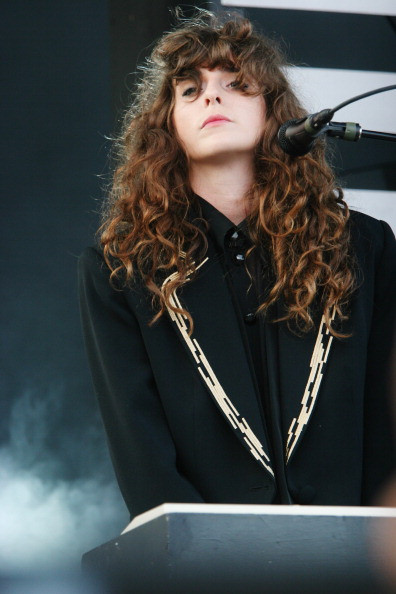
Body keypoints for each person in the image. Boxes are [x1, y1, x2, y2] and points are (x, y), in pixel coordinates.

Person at [78, 9, 396, 520]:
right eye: (189, 90)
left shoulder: (363, 245)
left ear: (274, 112)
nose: (211, 96)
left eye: (236, 83)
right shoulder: (120, 270)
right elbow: (139, 447)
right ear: (167, 125)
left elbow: (386, 416)